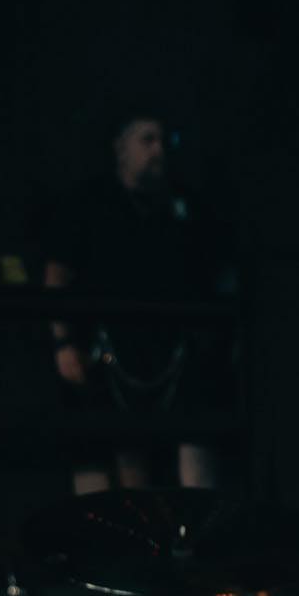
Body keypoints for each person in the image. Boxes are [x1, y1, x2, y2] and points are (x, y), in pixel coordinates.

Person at [41, 107, 232, 494]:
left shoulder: (186, 208)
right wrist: (63, 343)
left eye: (163, 140)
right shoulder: (88, 204)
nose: (158, 150)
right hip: (108, 357)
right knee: (116, 455)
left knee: (193, 447)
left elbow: (219, 275)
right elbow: (56, 278)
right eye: (147, 139)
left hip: (174, 356)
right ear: (120, 147)